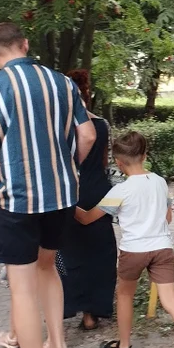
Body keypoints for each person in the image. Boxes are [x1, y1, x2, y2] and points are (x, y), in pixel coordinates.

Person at [0, 22, 96, 348]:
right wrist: (69, 173)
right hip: (61, 196)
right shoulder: (62, 84)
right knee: (48, 269)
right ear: (26, 44)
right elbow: (86, 136)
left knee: (21, 288)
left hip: (15, 200)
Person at [75, 131, 174, 348]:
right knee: (171, 300)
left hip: (133, 251)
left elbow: (86, 219)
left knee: (124, 294)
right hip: (162, 248)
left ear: (118, 162)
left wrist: (68, 202)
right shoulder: (159, 182)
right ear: (145, 155)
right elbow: (167, 217)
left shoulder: (120, 191)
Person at [58, 69, 116, 331]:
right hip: (99, 192)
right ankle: (93, 313)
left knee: (69, 252)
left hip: (68, 193)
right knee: (100, 252)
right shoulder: (101, 124)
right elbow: (105, 164)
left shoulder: (58, 127)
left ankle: (70, 305)